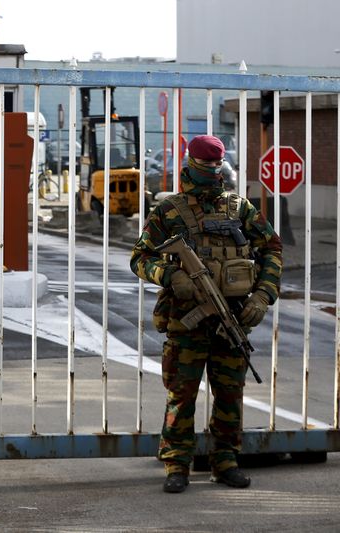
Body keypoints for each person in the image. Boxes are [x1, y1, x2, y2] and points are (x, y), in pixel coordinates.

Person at [130, 135, 282, 494]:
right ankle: (177, 464)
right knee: (181, 395)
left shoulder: (239, 207)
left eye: (218, 166)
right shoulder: (169, 210)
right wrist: (170, 275)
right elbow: (140, 257)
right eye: (207, 167)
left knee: (230, 393)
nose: (214, 173)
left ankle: (225, 461)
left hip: (233, 314)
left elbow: (272, 248)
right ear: (193, 166)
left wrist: (262, 295)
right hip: (186, 320)